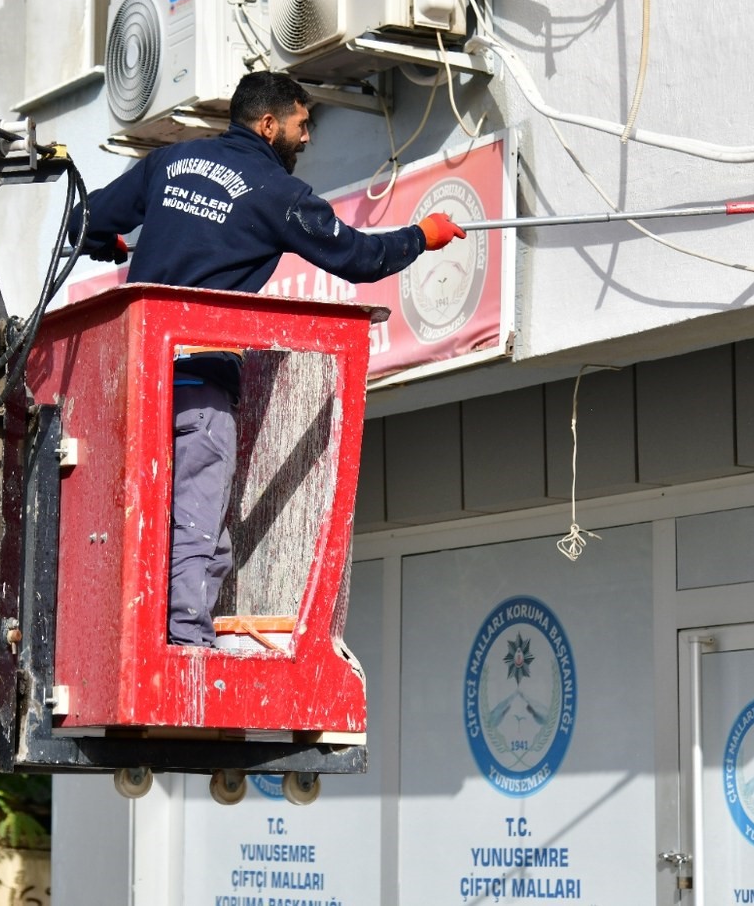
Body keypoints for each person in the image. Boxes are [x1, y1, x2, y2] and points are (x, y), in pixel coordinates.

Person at [76, 70, 467, 646]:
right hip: (198, 385)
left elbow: (83, 219)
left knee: (135, 516)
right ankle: (184, 650)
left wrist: (102, 242)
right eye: (301, 124)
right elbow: (358, 258)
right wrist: (421, 236)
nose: (307, 138)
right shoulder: (274, 193)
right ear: (268, 124)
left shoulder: (171, 163)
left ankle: (117, 639)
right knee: (197, 521)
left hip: (133, 383)